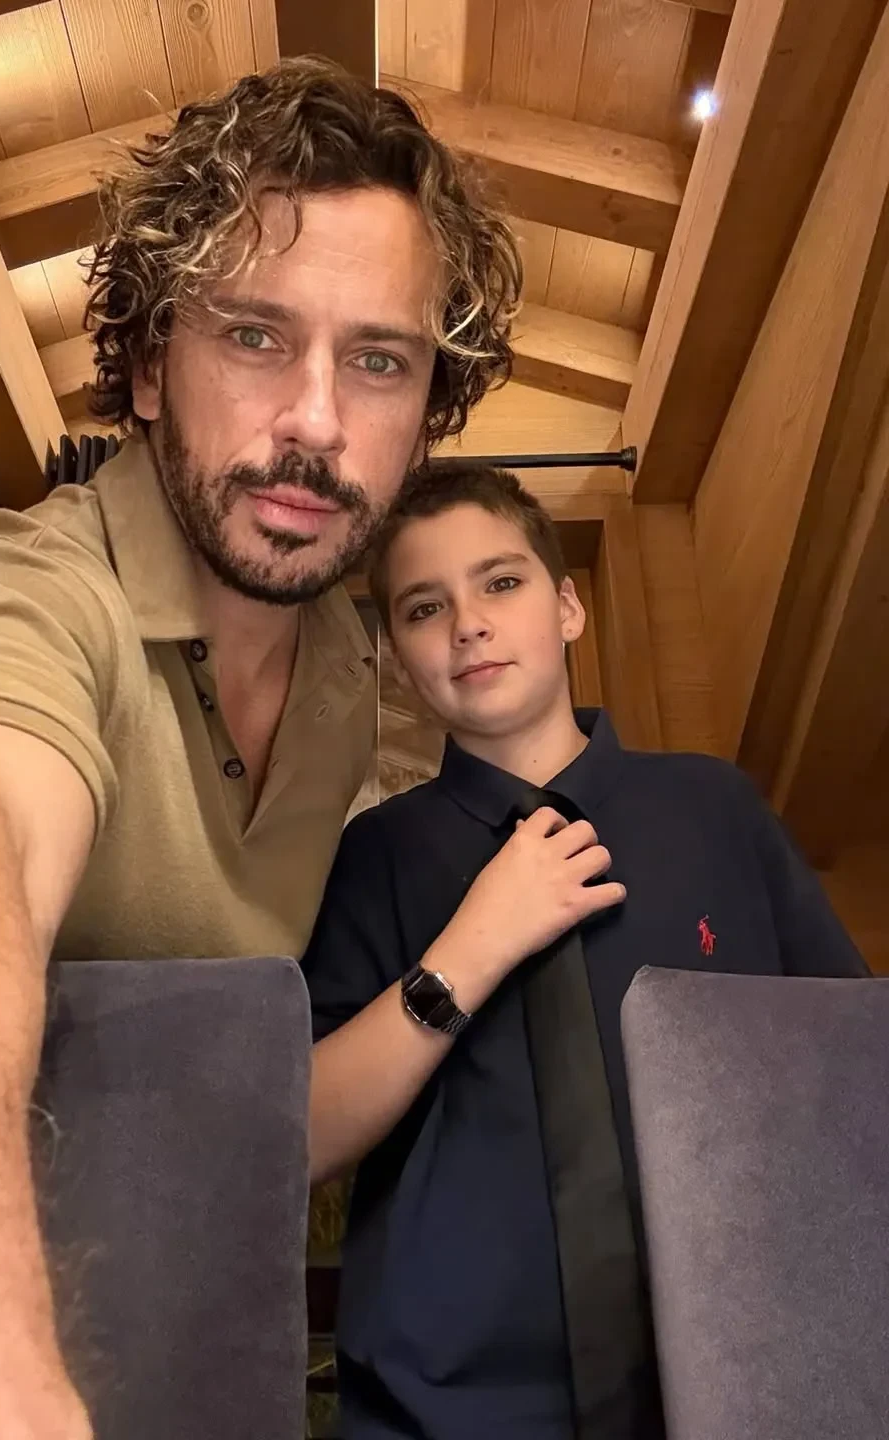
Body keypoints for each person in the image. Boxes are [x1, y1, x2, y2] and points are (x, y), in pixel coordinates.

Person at [0, 63, 522, 1437]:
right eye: (254, 335)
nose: (316, 421)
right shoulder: (26, 598)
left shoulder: (354, 668)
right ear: (145, 370)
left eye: (379, 361)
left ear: (427, 413)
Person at [303, 463, 868, 1440]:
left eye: (501, 582)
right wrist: (470, 949)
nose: (468, 624)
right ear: (397, 653)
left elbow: (854, 1075)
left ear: (567, 607)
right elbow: (303, 1133)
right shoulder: (373, 856)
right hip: (441, 1407)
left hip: (748, 1381)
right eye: (425, 607)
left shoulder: (716, 810)